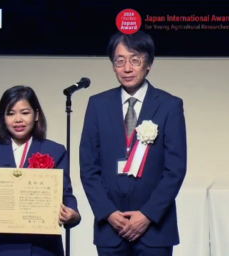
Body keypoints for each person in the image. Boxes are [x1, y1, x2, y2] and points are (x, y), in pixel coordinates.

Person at [80, 31, 187, 256]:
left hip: (155, 230)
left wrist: (147, 215)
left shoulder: (169, 106)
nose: (127, 68)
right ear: (113, 65)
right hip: (111, 228)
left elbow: (175, 170)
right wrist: (108, 212)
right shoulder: (98, 105)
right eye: (120, 61)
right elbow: (88, 167)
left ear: (148, 63)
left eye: (135, 60)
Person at [0, 86, 81, 256]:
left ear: (36, 115)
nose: (18, 119)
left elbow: (66, 193)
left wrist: (73, 213)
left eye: (25, 112)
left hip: (42, 247)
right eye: (11, 113)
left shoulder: (54, 150)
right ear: (3, 117)